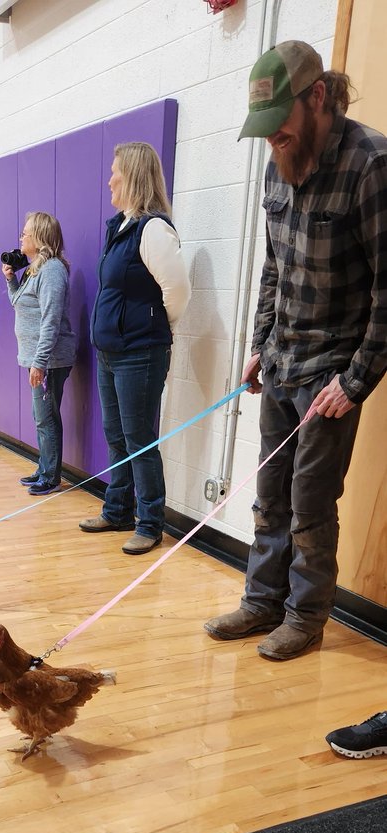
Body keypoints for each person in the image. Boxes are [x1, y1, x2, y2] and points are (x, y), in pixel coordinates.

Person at [205, 41, 387, 660]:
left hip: (332, 376)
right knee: (270, 493)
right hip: (282, 363)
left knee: (311, 505)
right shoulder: (276, 161)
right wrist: (261, 343)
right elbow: (274, 269)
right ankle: (260, 602)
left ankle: (305, 617)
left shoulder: (372, 164)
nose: (272, 142)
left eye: (279, 129)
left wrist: (355, 381)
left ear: (317, 97)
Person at [79, 141, 191, 555]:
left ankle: (150, 522)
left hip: (140, 354)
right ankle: (118, 509)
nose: (109, 180)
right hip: (111, 353)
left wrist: (150, 328)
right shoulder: (121, 226)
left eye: (116, 174)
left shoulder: (154, 229)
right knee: (116, 435)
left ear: (135, 178)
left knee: (139, 438)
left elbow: (177, 293)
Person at [2, 212, 76, 496]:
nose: (21, 237)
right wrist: (11, 280)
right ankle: (44, 467)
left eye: (25, 233)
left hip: (50, 360)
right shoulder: (35, 269)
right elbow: (19, 304)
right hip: (38, 359)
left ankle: (51, 476)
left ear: (40, 237)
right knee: (41, 415)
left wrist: (40, 362)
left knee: (46, 416)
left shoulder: (53, 270)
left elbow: (51, 320)